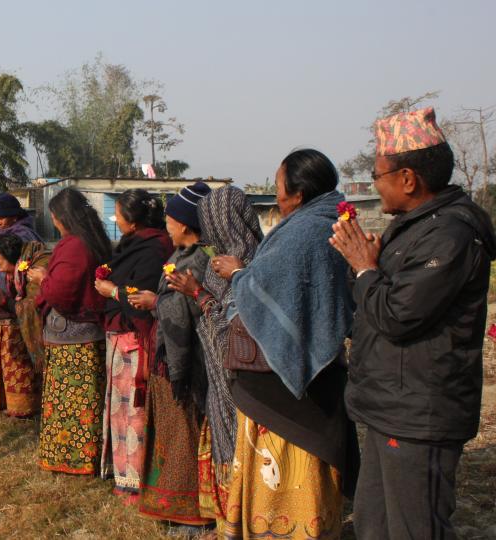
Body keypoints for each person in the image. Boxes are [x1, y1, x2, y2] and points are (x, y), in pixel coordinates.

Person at [331, 108, 495, 539]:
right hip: (393, 407)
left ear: (407, 179)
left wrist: (365, 269)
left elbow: (397, 314)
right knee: (374, 524)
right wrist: (364, 267)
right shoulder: (415, 229)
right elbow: (379, 301)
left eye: (377, 174)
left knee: (415, 527)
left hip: (420, 413)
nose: (373, 184)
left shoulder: (449, 236)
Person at [205, 150, 359, 538]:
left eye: (278, 188)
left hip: (280, 379)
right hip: (297, 373)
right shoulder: (324, 222)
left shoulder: (304, 233)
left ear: (300, 192)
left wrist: (239, 273)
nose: (276, 197)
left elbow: (266, 285)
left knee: (290, 465)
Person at [167, 186, 263, 520]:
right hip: (231, 376)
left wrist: (199, 295)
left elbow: (236, 325)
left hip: (238, 376)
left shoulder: (238, 264)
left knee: (241, 444)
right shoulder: (250, 257)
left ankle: (240, 514)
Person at [126, 182, 213, 529]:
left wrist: (154, 302)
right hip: (167, 358)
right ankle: (168, 505)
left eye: (171, 220)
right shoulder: (179, 256)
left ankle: (190, 514)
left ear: (186, 225)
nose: (166, 226)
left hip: (185, 365)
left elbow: (182, 310)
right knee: (170, 435)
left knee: (183, 437)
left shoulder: (197, 262)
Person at [92, 189, 173, 502]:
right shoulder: (133, 245)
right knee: (120, 412)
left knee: (133, 412)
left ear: (133, 220)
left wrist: (113, 293)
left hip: (135, 342)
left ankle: (135, 480)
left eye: (119, 214)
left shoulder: (154, 250)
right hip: (120, 338)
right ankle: (121, 474)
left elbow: (143, 297)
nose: (116, 219)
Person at [30, 187, 112, 476]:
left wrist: (42, 278)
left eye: (54, 217)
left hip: (73, 338)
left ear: (61, 217)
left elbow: (62, 292)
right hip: (87, 334)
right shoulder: (92, 239)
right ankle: (85, 456)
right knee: (85, 399)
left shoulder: (74, 245)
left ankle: (73, 457)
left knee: (72, 401)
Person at [0, 234, 47, 418]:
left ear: (12, 258)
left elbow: (32, 306)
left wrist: (2, 300)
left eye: (0, 262)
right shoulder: (18, 271)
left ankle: (31, 408)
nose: (0, 269)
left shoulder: (35, 269)